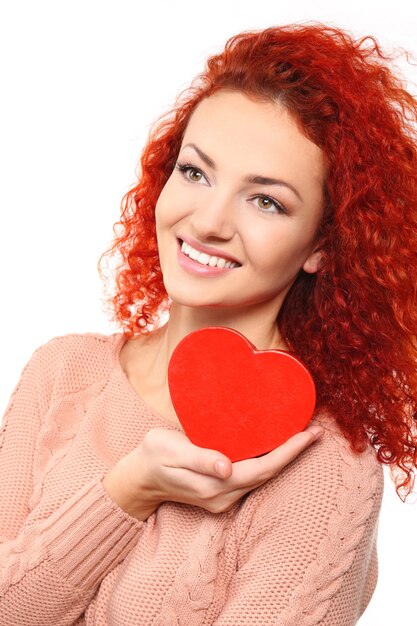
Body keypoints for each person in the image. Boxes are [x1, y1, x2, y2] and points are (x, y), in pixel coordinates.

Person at [1, 21, 416, 626]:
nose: (209, 221)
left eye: (266, 200)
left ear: (321, 245)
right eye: (196, 172)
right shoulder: (62, 373)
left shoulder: (325, 466)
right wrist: (130, 489)